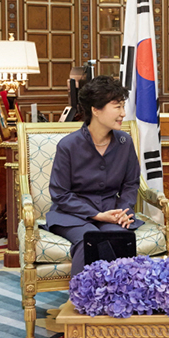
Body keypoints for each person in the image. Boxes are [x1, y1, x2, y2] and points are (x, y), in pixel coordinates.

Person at [45, 75, 142, 276]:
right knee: (89, 239)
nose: (123, 113)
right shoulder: (68, 146)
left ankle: (120, 299)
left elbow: (131, 183)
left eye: (123, 106)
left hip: (111, 212)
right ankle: (80, 301)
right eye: (117, 107)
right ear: (96, 110)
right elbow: (60, 194)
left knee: (120, 238)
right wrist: (97, 215)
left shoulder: (125, 142)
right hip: (71, 216)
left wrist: (123, 211)